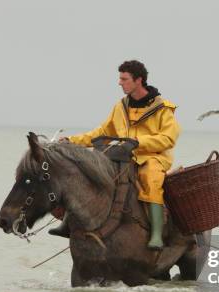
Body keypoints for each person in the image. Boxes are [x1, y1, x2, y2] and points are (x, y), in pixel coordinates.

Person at [50, 60, 181, 250]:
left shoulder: (163, 109)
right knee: (90, 174)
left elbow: (168, 139)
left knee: (150, 179)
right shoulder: (120, 107)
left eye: (124, 79)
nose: (120, 83)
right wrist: (72, 140)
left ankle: (156, 234)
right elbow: (101, 131)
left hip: (152, 157)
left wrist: (138, 144)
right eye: (120, 78)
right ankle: (69, 222)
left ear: (139, 80)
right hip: (121, 155)